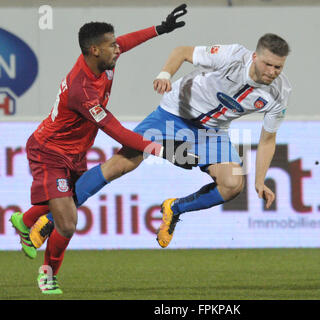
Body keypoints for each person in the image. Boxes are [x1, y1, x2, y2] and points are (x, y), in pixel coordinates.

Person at [25, 32, 291, 256]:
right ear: (255, 56)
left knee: (233, 184)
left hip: (212, 131)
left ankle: (174, 209)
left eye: (278, 67)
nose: (272, 72)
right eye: (268, 64)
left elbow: (268, 139)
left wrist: (260, 180)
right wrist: (165, 73)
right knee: (120, 165)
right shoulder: (233, 55)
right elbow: (183, 51)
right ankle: (49, 219)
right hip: (173, 114)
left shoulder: (279, 93)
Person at [9, 4, 194, 295]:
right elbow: (115, 130)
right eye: (111, 46)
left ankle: (26, 220)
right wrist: (161, 151)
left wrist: (161, 28)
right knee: (68, 222)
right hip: (50, 151)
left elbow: (127, 42)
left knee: (64, 207)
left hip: (75, 153)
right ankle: (47, 274)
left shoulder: (104, 61)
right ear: (95, 50)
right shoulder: (81, 90)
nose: (117, 49)